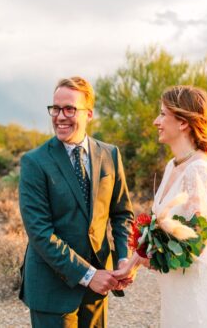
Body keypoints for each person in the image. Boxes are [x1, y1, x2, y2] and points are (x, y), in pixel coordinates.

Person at [116, 85, 207, 327]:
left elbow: (194, 247)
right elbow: (160, 230)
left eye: (162, 114)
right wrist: (131, 264)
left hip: (194, 295)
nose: (155, 121)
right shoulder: (173, 165)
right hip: (175, 292)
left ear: (183, 122)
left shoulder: (199, 171)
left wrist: (147, 261)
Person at [18, 76, 135, 327]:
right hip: (52, 290)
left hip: (98, 288)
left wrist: (123, 258)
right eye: (56, 108)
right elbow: (40, 233)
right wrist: (88, 275)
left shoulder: (109, 154)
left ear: (89, 113)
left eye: (70, 109)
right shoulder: (34, 162)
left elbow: (122, 213)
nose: (60, 116)